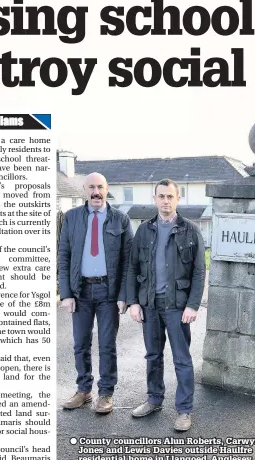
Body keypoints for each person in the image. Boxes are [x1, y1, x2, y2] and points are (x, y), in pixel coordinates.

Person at [127, 178, 206, 431]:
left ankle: (184, 410)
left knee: (182, 359)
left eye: (170, 197)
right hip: (149, 304)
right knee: (153, 355)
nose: (165, 201)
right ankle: (154, 399)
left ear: (177, 199)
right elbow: (132, 268)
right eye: (161, 196)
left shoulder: (190, 230)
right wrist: (133, 302)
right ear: (155, 199)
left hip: (177, 306)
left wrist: (193, 305)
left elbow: (199, 271)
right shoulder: (144, 230)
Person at [58, 172, 133, 414]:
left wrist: (124, 295)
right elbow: (64, 256)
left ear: (107, 189)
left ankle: (106, 393)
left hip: (108, 292)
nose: (96, 192)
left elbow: (128, 262)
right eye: (91, 187)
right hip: (80, 291)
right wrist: (66, 293)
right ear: (85, 190)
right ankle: (84, 390)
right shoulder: (71, 218)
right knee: (80, 344)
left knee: (107, 344)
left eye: (100, 187)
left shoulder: (120, 219)